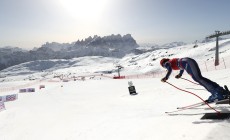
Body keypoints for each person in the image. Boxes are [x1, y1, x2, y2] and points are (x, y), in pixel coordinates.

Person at [160, 57, 229, 103]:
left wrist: (166, 77)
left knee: (198, 78)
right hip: (188, 61)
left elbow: (169, 69)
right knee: (199, 78)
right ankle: (219, 90)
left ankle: (216, 93)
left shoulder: (166, 63)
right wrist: (180, 75)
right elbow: (181, 67)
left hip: (187, 63)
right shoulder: (171, 61)